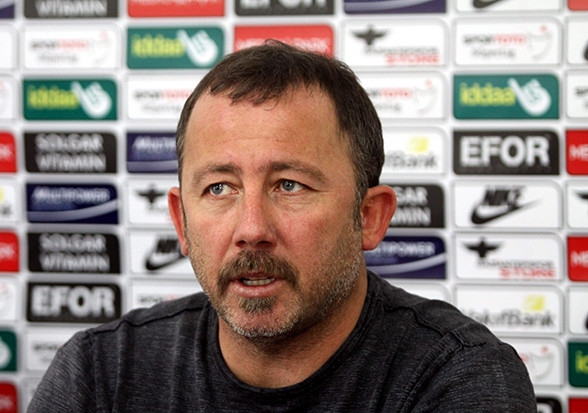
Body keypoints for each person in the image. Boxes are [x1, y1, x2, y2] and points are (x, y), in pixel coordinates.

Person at [28, 40, 536, 412]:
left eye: (289, 185)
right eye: (219, 188)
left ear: (369, 217)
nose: (251, 228)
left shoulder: (459, 376)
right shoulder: (100, 373)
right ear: (181, 221)